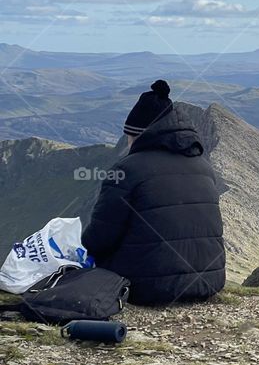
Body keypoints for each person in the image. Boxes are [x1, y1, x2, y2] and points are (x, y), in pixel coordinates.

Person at [82, 80, 226, 305]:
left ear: (139, 134)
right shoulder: (204, 166)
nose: (128, 143)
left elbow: (100, 239)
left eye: (129, 136)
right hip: (210, 282)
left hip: (147, 287)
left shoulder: (127, 170)